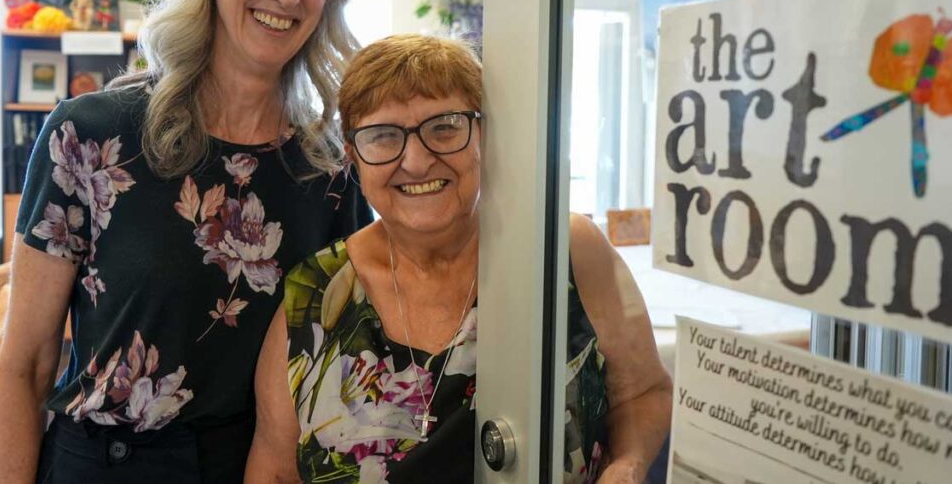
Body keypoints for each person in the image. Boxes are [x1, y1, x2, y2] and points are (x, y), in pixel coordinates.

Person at [0, 0, 373, 483]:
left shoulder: (330, 168)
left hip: (258, 465)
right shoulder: (90, 134)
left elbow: (344, 356)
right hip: (103, 465)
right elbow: (25, 361)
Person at [245, 34, 673, 484]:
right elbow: (273, 468)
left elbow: (643, 392)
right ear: (354, 158)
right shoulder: (313, 294)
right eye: (383, 136)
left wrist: (627, 465)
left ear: (483, 136)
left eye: (444, 127)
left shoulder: (562, 250)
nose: (416, 161)